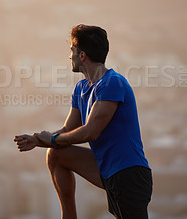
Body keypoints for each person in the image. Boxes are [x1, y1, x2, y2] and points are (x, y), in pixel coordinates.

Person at [14, 24, 152, 219]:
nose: (69, 56)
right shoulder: (81, 89)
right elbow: (67, 131)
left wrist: (52, 139)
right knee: (55, 154)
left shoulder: (112, 82)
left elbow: (90, 132)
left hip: (129, 173)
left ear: (82, 55)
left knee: (55, 146)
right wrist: (38, 140)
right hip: (107, 169)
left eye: (72, 50)